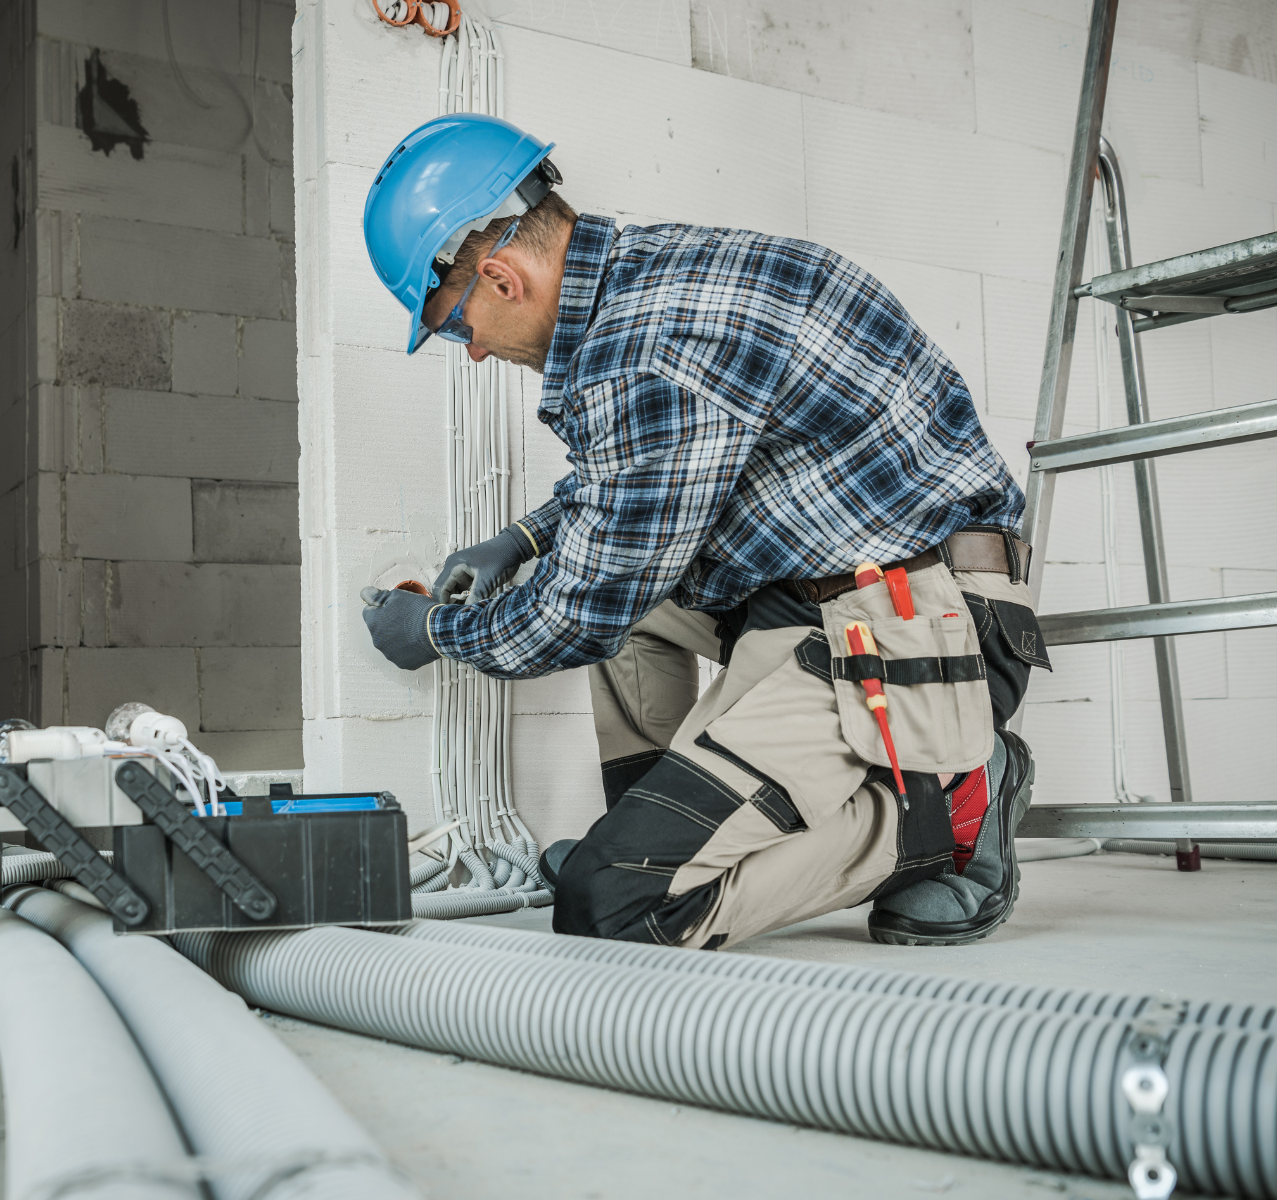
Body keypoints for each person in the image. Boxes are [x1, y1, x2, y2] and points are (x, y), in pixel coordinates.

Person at [357, 113, 1052, 949]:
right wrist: (525, 541)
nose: (470, 353)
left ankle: (956, 812)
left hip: (924, 627)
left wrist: (438, 631)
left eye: (457, 328)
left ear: (502, 277)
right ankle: (652, 836)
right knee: (625, 596)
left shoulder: (644, 350)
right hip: (827, 596)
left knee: (613, 908)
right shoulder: (647, 275)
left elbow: (585, 608)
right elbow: (640, 483)